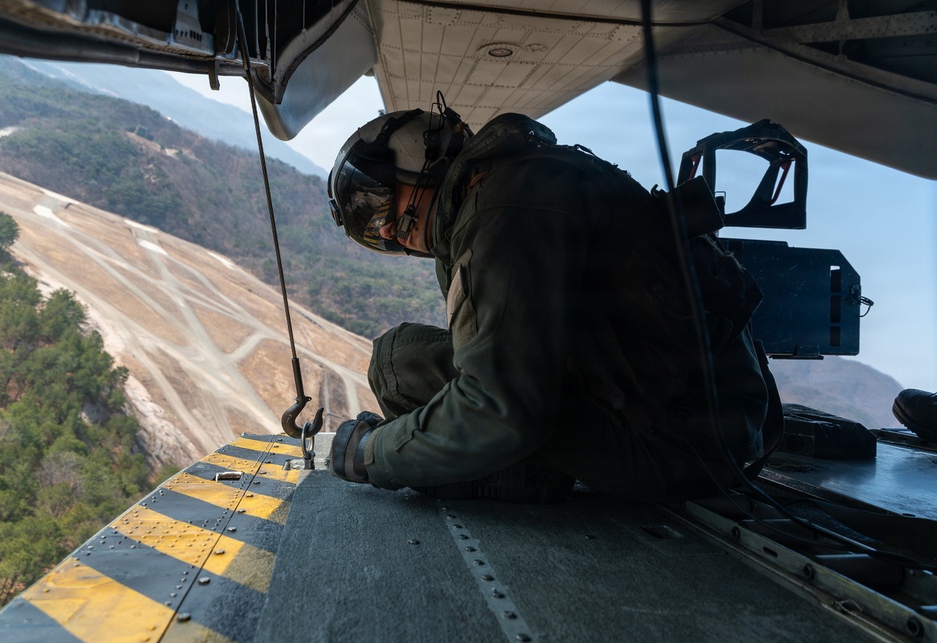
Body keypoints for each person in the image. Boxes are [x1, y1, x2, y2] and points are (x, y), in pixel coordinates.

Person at [325, 104, 774, 503]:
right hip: (713, 424)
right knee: (405, 360)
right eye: (370, 226)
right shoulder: (518, 180)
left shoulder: (504, 208)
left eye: (381, 204)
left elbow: (498, 405)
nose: (386, 230)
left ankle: (519, 474)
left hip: (682, 445)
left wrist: (372, 454)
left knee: (397, 366)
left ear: (421, 160)